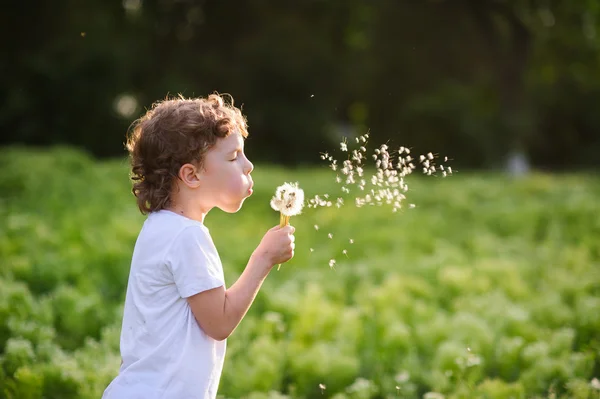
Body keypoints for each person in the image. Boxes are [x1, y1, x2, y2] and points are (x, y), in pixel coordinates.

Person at [102, 93, 295, 399]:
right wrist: (264, 258)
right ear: (191, 175)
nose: (249, 165)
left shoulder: (161, 226)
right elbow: (219, 322)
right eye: (233, 157)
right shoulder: (186, 236)